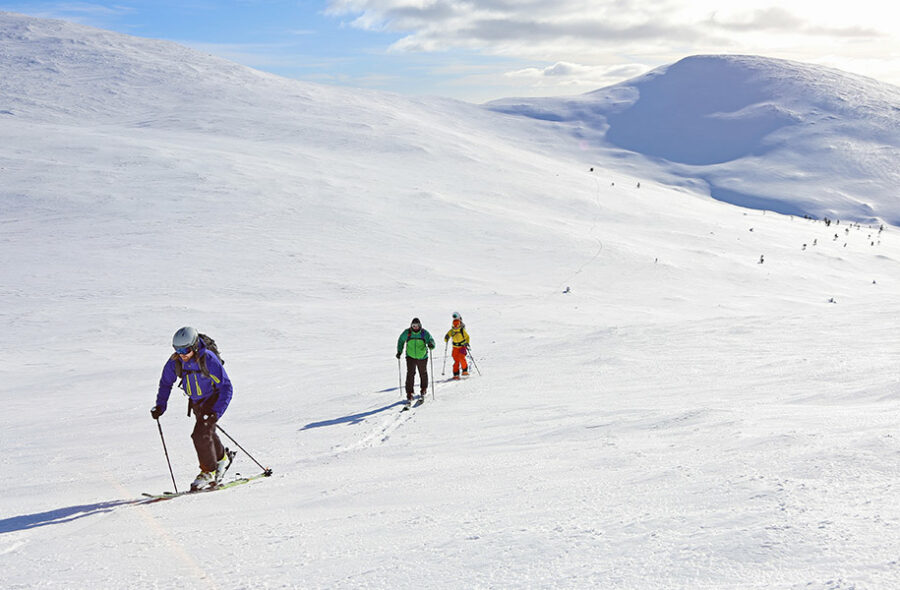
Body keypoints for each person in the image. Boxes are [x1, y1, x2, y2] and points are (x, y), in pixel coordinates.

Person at [151, 326, 234, 491]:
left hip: (213, 399)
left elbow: (226, 387)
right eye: (178, 349)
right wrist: (161, 405)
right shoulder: (176, 361)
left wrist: (215, 412)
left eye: (186, 349)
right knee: (207, 432)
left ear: (195, 346)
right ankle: (222, 459)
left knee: (200, 434)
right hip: (197, 403)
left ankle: (208, 471)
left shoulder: (208, 359)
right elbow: (166, 383)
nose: (182, 353)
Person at [396, 317, 435, 403]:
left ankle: (423, 389)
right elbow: (401, 341)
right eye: (413, 325)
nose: (415, 327)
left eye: (417, 325)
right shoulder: (407, 333)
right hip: (410, 357)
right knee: (410, 374)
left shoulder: (424, 333)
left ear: (420, 325)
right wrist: (399, 351)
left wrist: (431, 344)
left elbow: (431, 340)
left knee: (423, 373)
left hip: (422, 357)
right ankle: (409, 392)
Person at [444, 311, 470, 379]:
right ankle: (456, 374)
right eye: (454, 325)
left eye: (457, 324)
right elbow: (447, 336)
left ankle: (465, 370)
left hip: (462, 347)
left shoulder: (462, 330)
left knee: (461, 358)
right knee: (456, 361)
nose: (455, 326)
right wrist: (446, 338)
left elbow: (467, 337)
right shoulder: (452, 331)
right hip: (455, 347)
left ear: (459, 324)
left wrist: (467, 343)